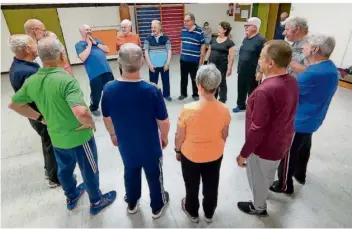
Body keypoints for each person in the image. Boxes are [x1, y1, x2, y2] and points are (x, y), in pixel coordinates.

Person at [9, 36, 116, 215]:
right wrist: (90, 123)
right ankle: (96, 200)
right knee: (89, 169)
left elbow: (14, 104)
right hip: (79, 137)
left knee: (65, 169)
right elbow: (81, 112)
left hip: (56, 136)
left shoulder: (32, 80)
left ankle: (71, 196)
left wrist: (40, 117)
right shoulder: (66, 80)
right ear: (62, 55)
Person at [101, 43, 170, 219]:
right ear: (142, 63)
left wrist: (113, 134)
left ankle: (132, 202)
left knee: (130, 171)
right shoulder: (152, 90)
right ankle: (157, 206)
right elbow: (163, 121)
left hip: (126, 143)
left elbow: (107, 118)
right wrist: (164, 137)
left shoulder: (108, 89)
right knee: (154, 174)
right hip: (150, 146)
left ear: (119, 63)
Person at [236, 40, 299, 216]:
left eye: (261, 57)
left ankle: (258, 206)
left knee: (258, 177)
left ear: (270, 63)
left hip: (263, 148)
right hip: (282, 141)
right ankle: (263, 194)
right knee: (268, 174)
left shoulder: (265, 90)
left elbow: (257, 128)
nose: (259, 60)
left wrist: (244, 153)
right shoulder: (292, 81)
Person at [270, 34, 338, 194]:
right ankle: (300, 174)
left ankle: (284, 184)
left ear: (315, 49)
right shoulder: (329, 68)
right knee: (303, 146)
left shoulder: (312, 74)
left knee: (288, 152)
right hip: (313, 118)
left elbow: (286, 94)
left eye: (306, 44)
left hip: (299, 121)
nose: (303, 47)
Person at [175, 64, 231, 224]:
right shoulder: (224, 110)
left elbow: (180, 136)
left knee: (191, 185)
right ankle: (209, 213)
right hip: (215, 155)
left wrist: (178, 151)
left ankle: (192, 211)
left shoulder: (187, 109)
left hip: (190, 156)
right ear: (217, 85)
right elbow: (224, 135)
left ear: (198, 85)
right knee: (212, 184)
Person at [8, 34, 59, 188]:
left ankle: (48, 170)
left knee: (46, 141)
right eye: (34, 43)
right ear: (26, 48)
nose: (37, 46)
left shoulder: (22, 65)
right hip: (40, 113)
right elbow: (21, 101)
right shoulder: (27, 72)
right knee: (51, 143)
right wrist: (41, 116)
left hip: (36, 113)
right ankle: (54, 178)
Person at [75, 24, 114, 116]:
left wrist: (95, 43)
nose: (89, 31)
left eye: (90, 29)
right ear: (81, 32)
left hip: (106, 70)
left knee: (110, 89)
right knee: (96, 93)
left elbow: (107, 49)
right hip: (94, 73)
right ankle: (93, 107)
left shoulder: (97, 41)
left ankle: (111, 105)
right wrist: (89, 45)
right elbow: (83, 57)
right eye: (86, 30)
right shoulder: (79, 44)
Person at [233, 17, 265, 113]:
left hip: (253, 72)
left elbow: (263, 57)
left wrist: (260, 72)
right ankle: (240, 105)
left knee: (252, 91)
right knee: (241, 88)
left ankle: (252, 108)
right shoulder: (245, 38)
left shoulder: (261, 40)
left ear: (254, 27)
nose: (245, 27)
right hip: (242, 69)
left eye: (247, 26)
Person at [205, 21, 235, 103]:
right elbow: (209, 51)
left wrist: (229, 69)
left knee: (221, 82)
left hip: (222, 66)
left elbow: (231, 57)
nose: (218, 29)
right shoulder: (213, 39)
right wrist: (205, 62)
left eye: (220, 28)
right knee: (212, 81)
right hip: (211, 65)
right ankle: (213, 98)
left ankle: (222, 99)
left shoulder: (229, 42)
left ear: (225, 30)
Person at [179, 13, 206, 101]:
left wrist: (201, 58)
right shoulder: (183, 29)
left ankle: (195, 94)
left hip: (194, 60)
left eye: (187, 21)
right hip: (183, 59)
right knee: (183, 78)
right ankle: (183, 93)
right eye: (184, 20)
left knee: (194, 78)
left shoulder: (199, 31)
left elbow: (203, 45)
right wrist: (181, 51)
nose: (185, 23)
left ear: (193, 21)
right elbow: (182, 41)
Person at [144, 20, 172, 101]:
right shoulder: (148, 39)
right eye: (152, 27)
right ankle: (153, 96)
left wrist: (167, 63)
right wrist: (149, 64)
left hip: (164, 65)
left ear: (160, 28)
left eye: (155, 27)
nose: (153, 29)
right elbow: (146, 52)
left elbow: (169, 51)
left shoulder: (166, 38)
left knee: (166, 81)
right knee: (153, 82)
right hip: (153, 65)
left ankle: (166, 95)